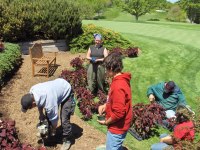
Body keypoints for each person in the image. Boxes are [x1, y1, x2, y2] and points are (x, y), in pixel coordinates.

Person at [21, 78, 76, 150]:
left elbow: (54, 119)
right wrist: (41, 114)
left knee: (64, 119)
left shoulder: (49, 102)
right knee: (48, 115)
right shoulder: (33, 91)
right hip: (56, 90)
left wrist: (53, 129)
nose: (30, 109)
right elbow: (39, 104)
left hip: (66, 91)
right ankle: (49, 132)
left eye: (30, 108)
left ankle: (67, 140)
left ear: (33, 103)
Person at [98, 52, 133, 150]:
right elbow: (118, 101)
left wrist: (106, 122)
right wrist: (106, 105)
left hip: (117, 127)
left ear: (112, 68)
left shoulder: (118, 86)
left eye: (106, 68)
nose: (105, 71)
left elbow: (119, 113)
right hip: (120, 124)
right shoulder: (119, 79)